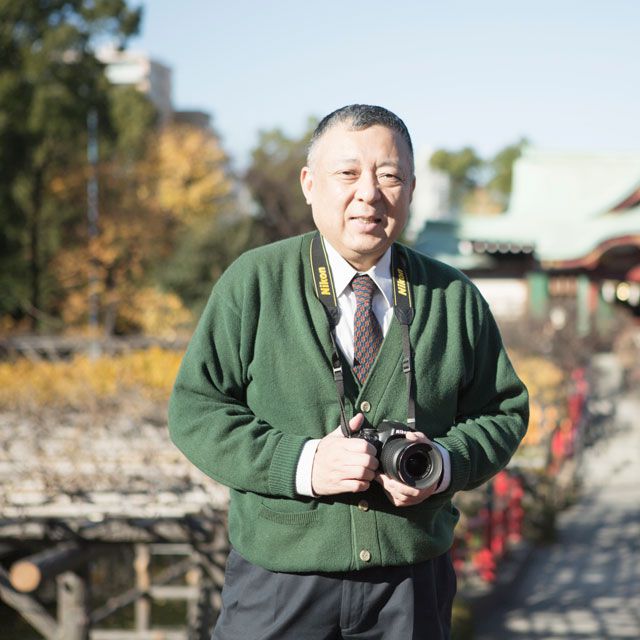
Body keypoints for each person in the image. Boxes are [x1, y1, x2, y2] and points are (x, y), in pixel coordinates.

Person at [168, 104, 529, 639]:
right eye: (348, 173)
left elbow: (503, 410)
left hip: (412, 584)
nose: (369, 193)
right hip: (279, 581)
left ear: (410, 188)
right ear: (310, 184)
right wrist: (304, 464)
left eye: (389, 175)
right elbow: (196, 410)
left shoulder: (452, 296)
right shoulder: (255, 282)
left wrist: (445, 465)